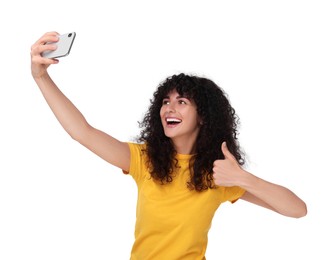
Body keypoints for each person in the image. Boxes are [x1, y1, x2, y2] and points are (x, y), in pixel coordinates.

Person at [30, 32, 307, 260]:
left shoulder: (219, 175)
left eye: (181, 102)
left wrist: (243, 178)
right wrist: (41, 77)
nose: (169, 108)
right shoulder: (143, 160)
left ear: (203, 116)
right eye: (165, 101)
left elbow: (297, 209)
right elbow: (82, 132)